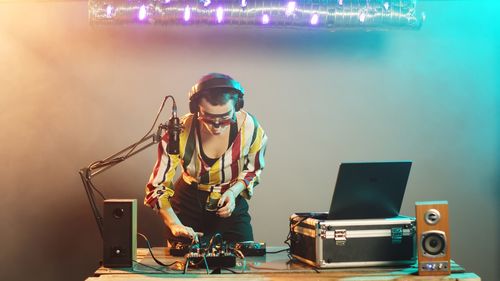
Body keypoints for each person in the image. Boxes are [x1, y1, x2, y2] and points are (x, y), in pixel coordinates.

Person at [145, 73, 267, 245]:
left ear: (237, 106)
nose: (216, 126)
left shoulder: (251, 128)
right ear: (196, 109)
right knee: (180, 264)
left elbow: (253, 169)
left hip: (230, 201)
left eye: (225, 118)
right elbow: (157, 186)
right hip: (187, 203)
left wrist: (233, 193)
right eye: (208, 118)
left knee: (245, 260)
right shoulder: (177, 132)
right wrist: (174, 224)